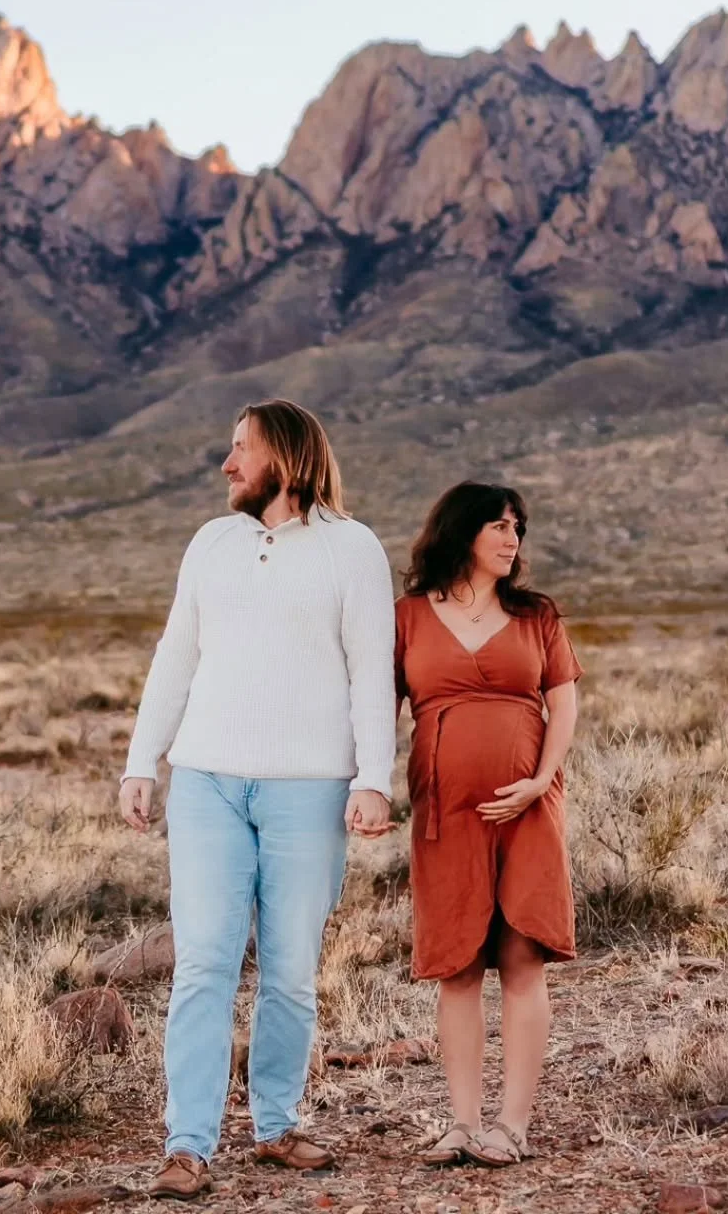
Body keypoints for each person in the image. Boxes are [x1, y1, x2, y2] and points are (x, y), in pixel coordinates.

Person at [119, 399, 396, 1202]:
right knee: (203, 963)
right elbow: (176, 655)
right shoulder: (212, 542)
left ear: (287, 457)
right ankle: (187, 1145)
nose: (227, 463)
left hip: (309, 789)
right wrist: (143, 761)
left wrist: (373, 779)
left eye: (242, 448)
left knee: (289, 970)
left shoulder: (352, 549)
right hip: (206, 782)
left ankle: (276, 1125)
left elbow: (370, 671)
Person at [393, 481, 582, 1168]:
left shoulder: (536, 615)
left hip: (528, 808)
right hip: (445, 812)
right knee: (459, 965)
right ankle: (463, 1124)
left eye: (517, 527)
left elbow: (563, 703)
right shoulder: (410, 617)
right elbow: (377, 709)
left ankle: (513, 1125)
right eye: (499, 525)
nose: (512, 538)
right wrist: (366, 787)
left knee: (523, 954)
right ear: (461, 531)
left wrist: (540, 780)